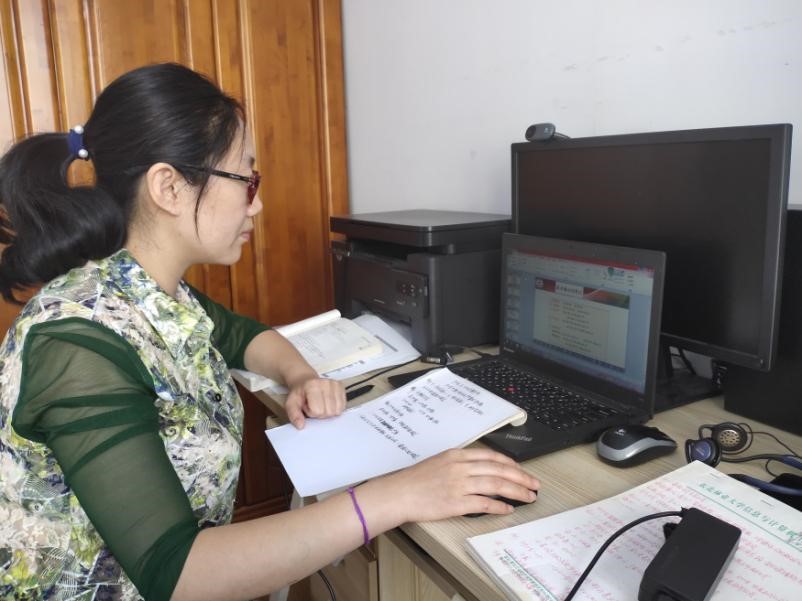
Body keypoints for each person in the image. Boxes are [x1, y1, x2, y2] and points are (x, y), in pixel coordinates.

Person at [0, 63, 539, 600]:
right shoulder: (76, 344)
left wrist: (300, 375)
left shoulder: (154, 294)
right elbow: (179, 573)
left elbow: (244, 337)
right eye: (247, 179)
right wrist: (395, 496)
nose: (256, 203)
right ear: (169, 187)